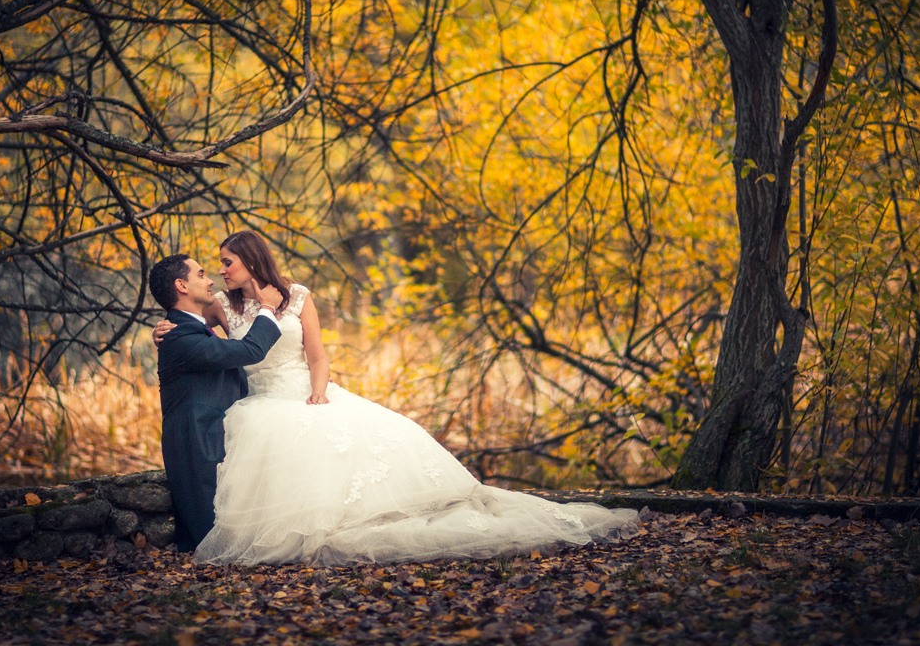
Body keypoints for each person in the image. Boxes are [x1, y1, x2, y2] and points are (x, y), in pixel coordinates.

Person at [153, 231, 638, 565]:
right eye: (214, 266)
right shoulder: (222, 304)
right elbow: (205, 336)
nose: (219, 272)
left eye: (227, 262)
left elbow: (317, 355)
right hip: (259, 402)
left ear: (251, 260)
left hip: (303, 390)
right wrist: (163, 329)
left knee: (347, 442)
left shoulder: (296, 296)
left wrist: (319, 392)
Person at [148, 252, 284, 552]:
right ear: (181, 286)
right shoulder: (179, 336)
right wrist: (267, 308)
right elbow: (249, 350)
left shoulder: (186, 328)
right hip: (198, 445)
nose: (210, 280)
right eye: (201, 274)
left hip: (219, 436)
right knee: (219, 542)